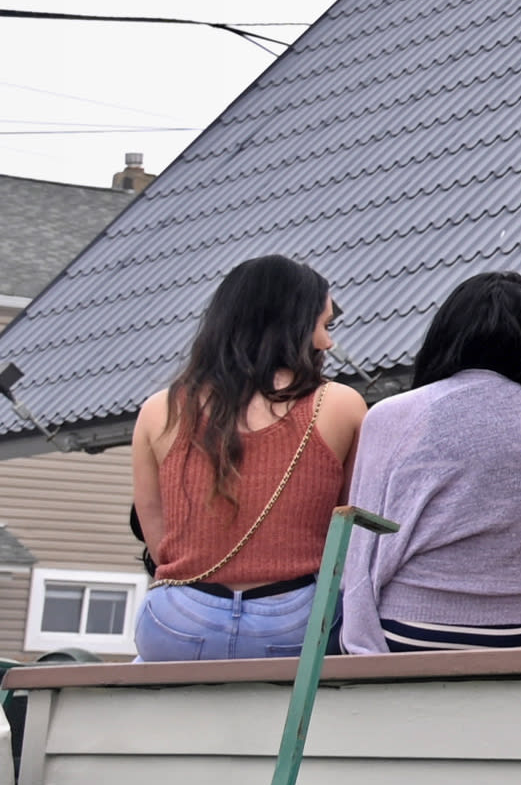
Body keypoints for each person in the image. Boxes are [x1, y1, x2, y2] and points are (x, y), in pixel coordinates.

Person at [132, 255, 369, 662]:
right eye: (323, 325)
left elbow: (157, 536)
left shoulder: (160, 409)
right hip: (296, 624)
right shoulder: (341, 404)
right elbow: (351, 530)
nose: (327, 343)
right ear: (293, 325)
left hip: (177, 623)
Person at [336, 273, 521, 653]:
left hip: (413, 629)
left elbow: (361, 548)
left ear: (445, 334)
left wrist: (358, 647)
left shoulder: (393, 416)